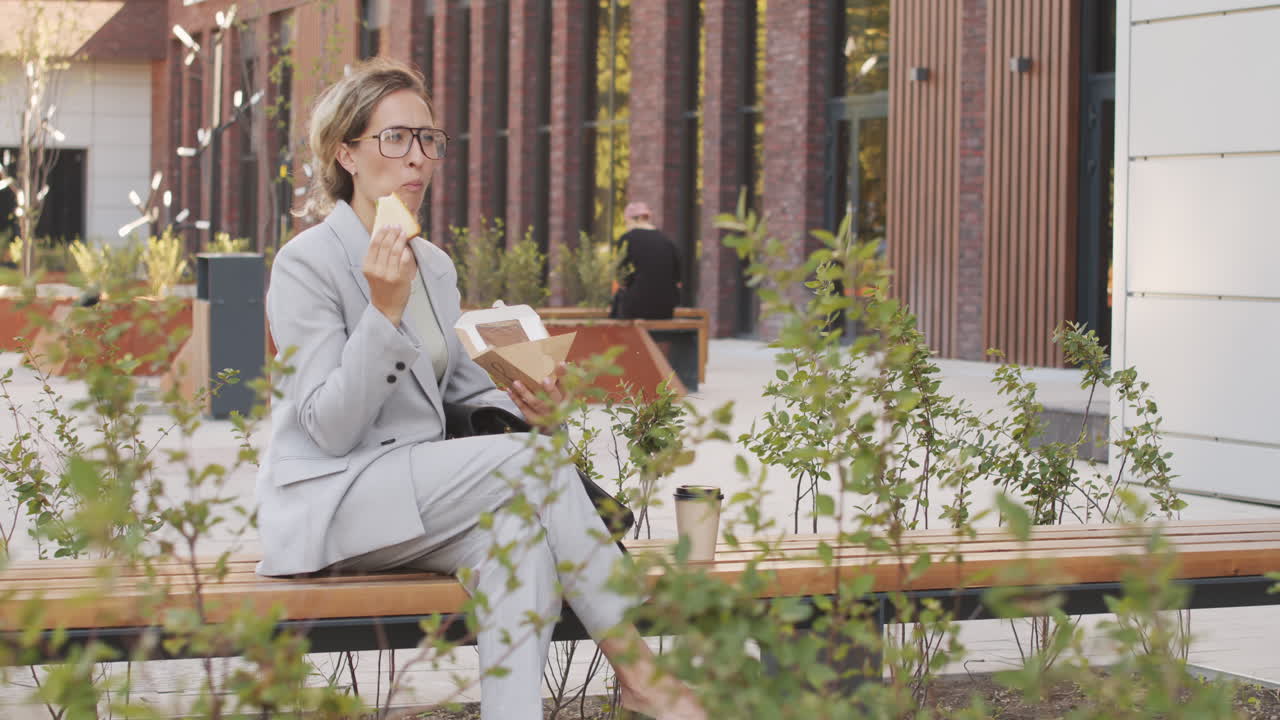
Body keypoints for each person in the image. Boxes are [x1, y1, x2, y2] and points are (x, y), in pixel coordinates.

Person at [256, 58, 704, 720]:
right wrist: (381, 313)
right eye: (396, 138)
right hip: (335, 499)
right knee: (535, 465)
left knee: (517, 542)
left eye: (429, 140)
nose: (418, 159)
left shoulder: (432, 264)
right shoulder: (306, 263)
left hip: (417, 496)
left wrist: (528, 402)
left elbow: (461, 396)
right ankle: (639, 674)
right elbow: (328, 428)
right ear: (345, 152)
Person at [610, 201, 682, 319]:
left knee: (618, 301)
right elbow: (677, 277)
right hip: (666, 308)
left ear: (633, 219)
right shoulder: (667, 241)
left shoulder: (627, 239)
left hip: (637, 306)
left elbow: (621, 276)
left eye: (626, 221)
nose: (626, 226)